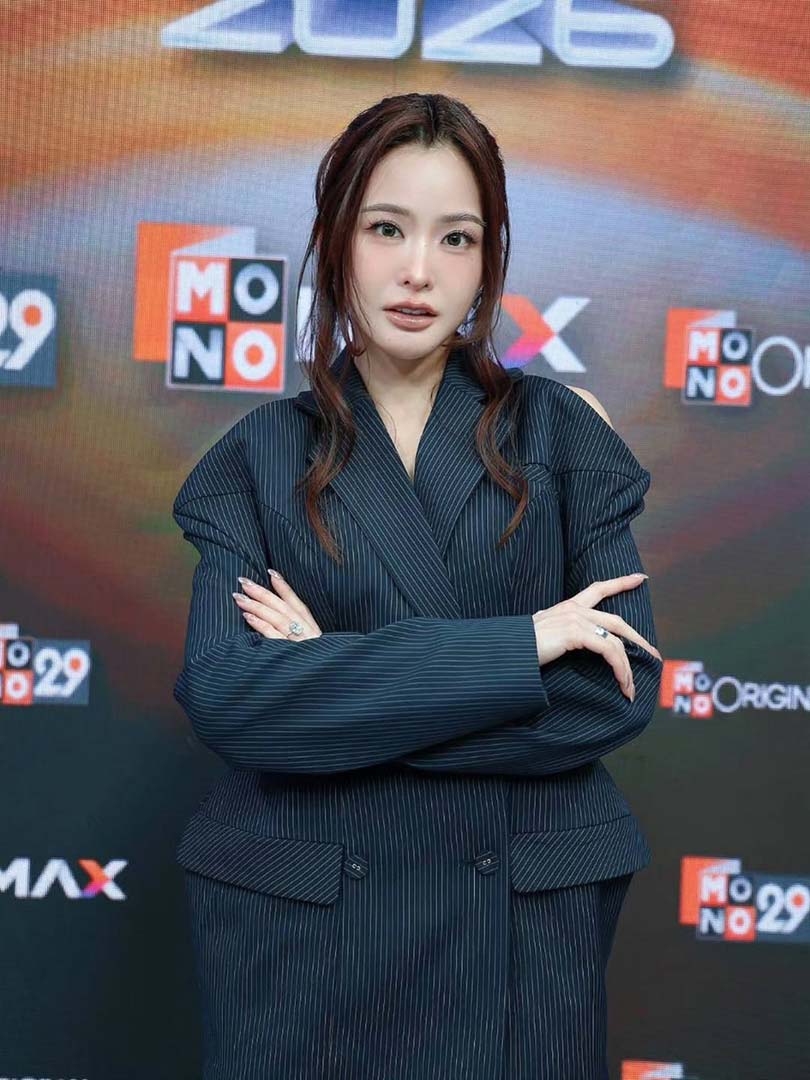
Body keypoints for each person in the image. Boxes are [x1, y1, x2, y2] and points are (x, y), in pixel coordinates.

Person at [171, 92, 664, 1080]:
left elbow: (613, 690)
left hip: (516, 931)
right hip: (311, 932)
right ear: (336, 241)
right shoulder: (255, 457)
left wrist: (332, 676)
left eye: (457, 238)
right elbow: (230, 698)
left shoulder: (563, 432)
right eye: (387, 228)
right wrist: (518, 649)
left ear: (489, 260)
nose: (418, 271)